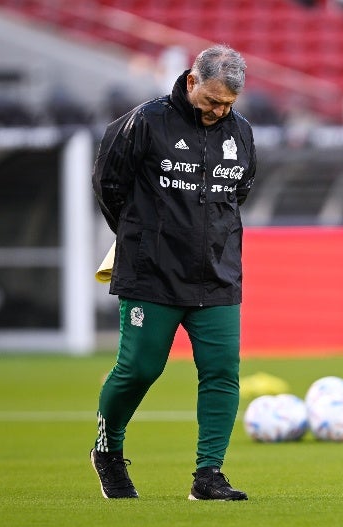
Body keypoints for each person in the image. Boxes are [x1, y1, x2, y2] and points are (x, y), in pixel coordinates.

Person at [90, 44, 255, 501]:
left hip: (216, 274)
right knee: (139, 369)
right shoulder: (145, 122)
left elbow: (237, 192)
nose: (218, 111)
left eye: (227, 104)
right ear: (191, 82)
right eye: (212, 100)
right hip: (152, 275)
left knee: (221, 372)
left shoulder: (240, 132)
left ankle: (209, 476)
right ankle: (107, 450)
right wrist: (141, 237)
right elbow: (109, 184)